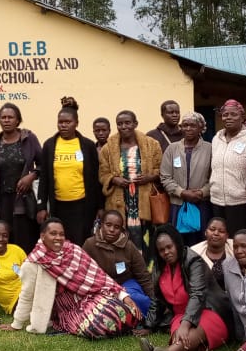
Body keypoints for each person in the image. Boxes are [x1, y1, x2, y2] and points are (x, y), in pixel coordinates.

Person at [3, 218, 141, 339]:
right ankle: (115, 328)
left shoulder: (73, 250)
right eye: (53, 234)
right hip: (68, 309)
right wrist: (17, 324)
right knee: (100, 322)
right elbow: (26, 295)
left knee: (122, 309)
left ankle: (118, 326)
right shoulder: (33, 263)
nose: (58, 238)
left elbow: (100, 278)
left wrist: (123, 296)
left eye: (61, 234)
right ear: (43, 236)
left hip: (90, 297)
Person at [136, 225, 234, 351]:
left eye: (170, 247)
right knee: (183, 340)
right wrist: (149, 325)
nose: (166, 252)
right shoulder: (160, 267)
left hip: (210, 311)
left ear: (177, 243)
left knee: (186, 334)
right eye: (162, 250)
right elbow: (157, 299)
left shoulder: (193, 261)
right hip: (181, 315)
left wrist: (185, 324)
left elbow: (198, 295)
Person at [37, 97, 102, 245]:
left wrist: (100, 206)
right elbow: (44, 178)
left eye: (68, 122)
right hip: (58, 206)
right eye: (61, 122)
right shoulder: (49, 145)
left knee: (81, 242)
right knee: (60, 242)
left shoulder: (87, 145)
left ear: (76, 123)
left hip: (82, 206)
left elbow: (95, 178)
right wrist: (41, 207)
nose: (64, 126)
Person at [99, 110, 162, 256]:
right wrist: (114, 179)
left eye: (127, 123)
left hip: (144, 199)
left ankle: (147, 271)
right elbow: (102, 174)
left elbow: (161, 169)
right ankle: (124, 272)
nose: (123, 126)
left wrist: (150, 177)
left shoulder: (151, 144)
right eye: (119, 124)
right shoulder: (108, 148)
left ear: (135, 124)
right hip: (120, 199)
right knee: (120, 235)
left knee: (146, 237)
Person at [0, 103, 41, 252]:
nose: (6, 120)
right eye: (3, 117)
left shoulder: (29, 138)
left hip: (23, 200)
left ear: (18, 120)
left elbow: (43, 164)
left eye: (10, 117)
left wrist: (31, 176)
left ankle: (24, 273)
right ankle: (7, 274)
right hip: (2, 202)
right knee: (4, 241)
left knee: (24, 241)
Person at [82, 209, 154, 317]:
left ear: (121, 229)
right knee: (107, 306)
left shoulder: (129, 246)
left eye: (116, 227)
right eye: (108, 225)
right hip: (100, 288)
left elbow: (143, 276)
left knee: (137, 299)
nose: (112, 230)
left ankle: (146, 319)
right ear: (101, 225)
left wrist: (155, 301)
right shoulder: (90, 244)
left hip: (126, 284)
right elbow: (82, 273)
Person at [160, 111, 212, 245]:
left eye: (193, 125)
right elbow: (165, 177)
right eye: (185, 125)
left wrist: (202, 192)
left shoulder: (209, 149)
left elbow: (215, 177)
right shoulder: (172, 149)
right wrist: (181, 192)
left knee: (200, 242)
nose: (188, 129)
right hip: (177, 205)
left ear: (201, 128)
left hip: (200, 205)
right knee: (178, 243)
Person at [208, 99, 246, 235]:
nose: (228, 118)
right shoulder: (216, 139)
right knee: (220, 241)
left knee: (240, 241)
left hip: (241, 203)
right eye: (225, 114)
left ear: (242, 117)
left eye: (233, 114)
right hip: (216, 201)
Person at [189, 217, 235, 290]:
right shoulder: (194, 252)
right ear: (206, 232)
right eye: (212, 229)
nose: (216, 233)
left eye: (221, 231)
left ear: (227, 236)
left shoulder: (235, 247)